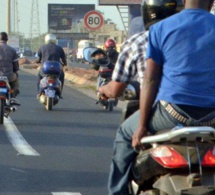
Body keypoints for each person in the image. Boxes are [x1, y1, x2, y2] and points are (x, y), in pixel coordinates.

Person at [98, 0, 184, 194]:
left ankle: (118, 191)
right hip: (205, 113)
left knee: (124, 135)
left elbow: (147, 82)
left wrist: (104, 90)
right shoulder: (192, 37)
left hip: (169, 110)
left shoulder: (141, 41)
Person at [0, 32, 20, 98]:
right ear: (7, 39)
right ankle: (12, 96)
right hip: (9, 76)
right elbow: (16, 66)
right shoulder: (12, 50)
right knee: (15, 82)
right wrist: (16, 72)